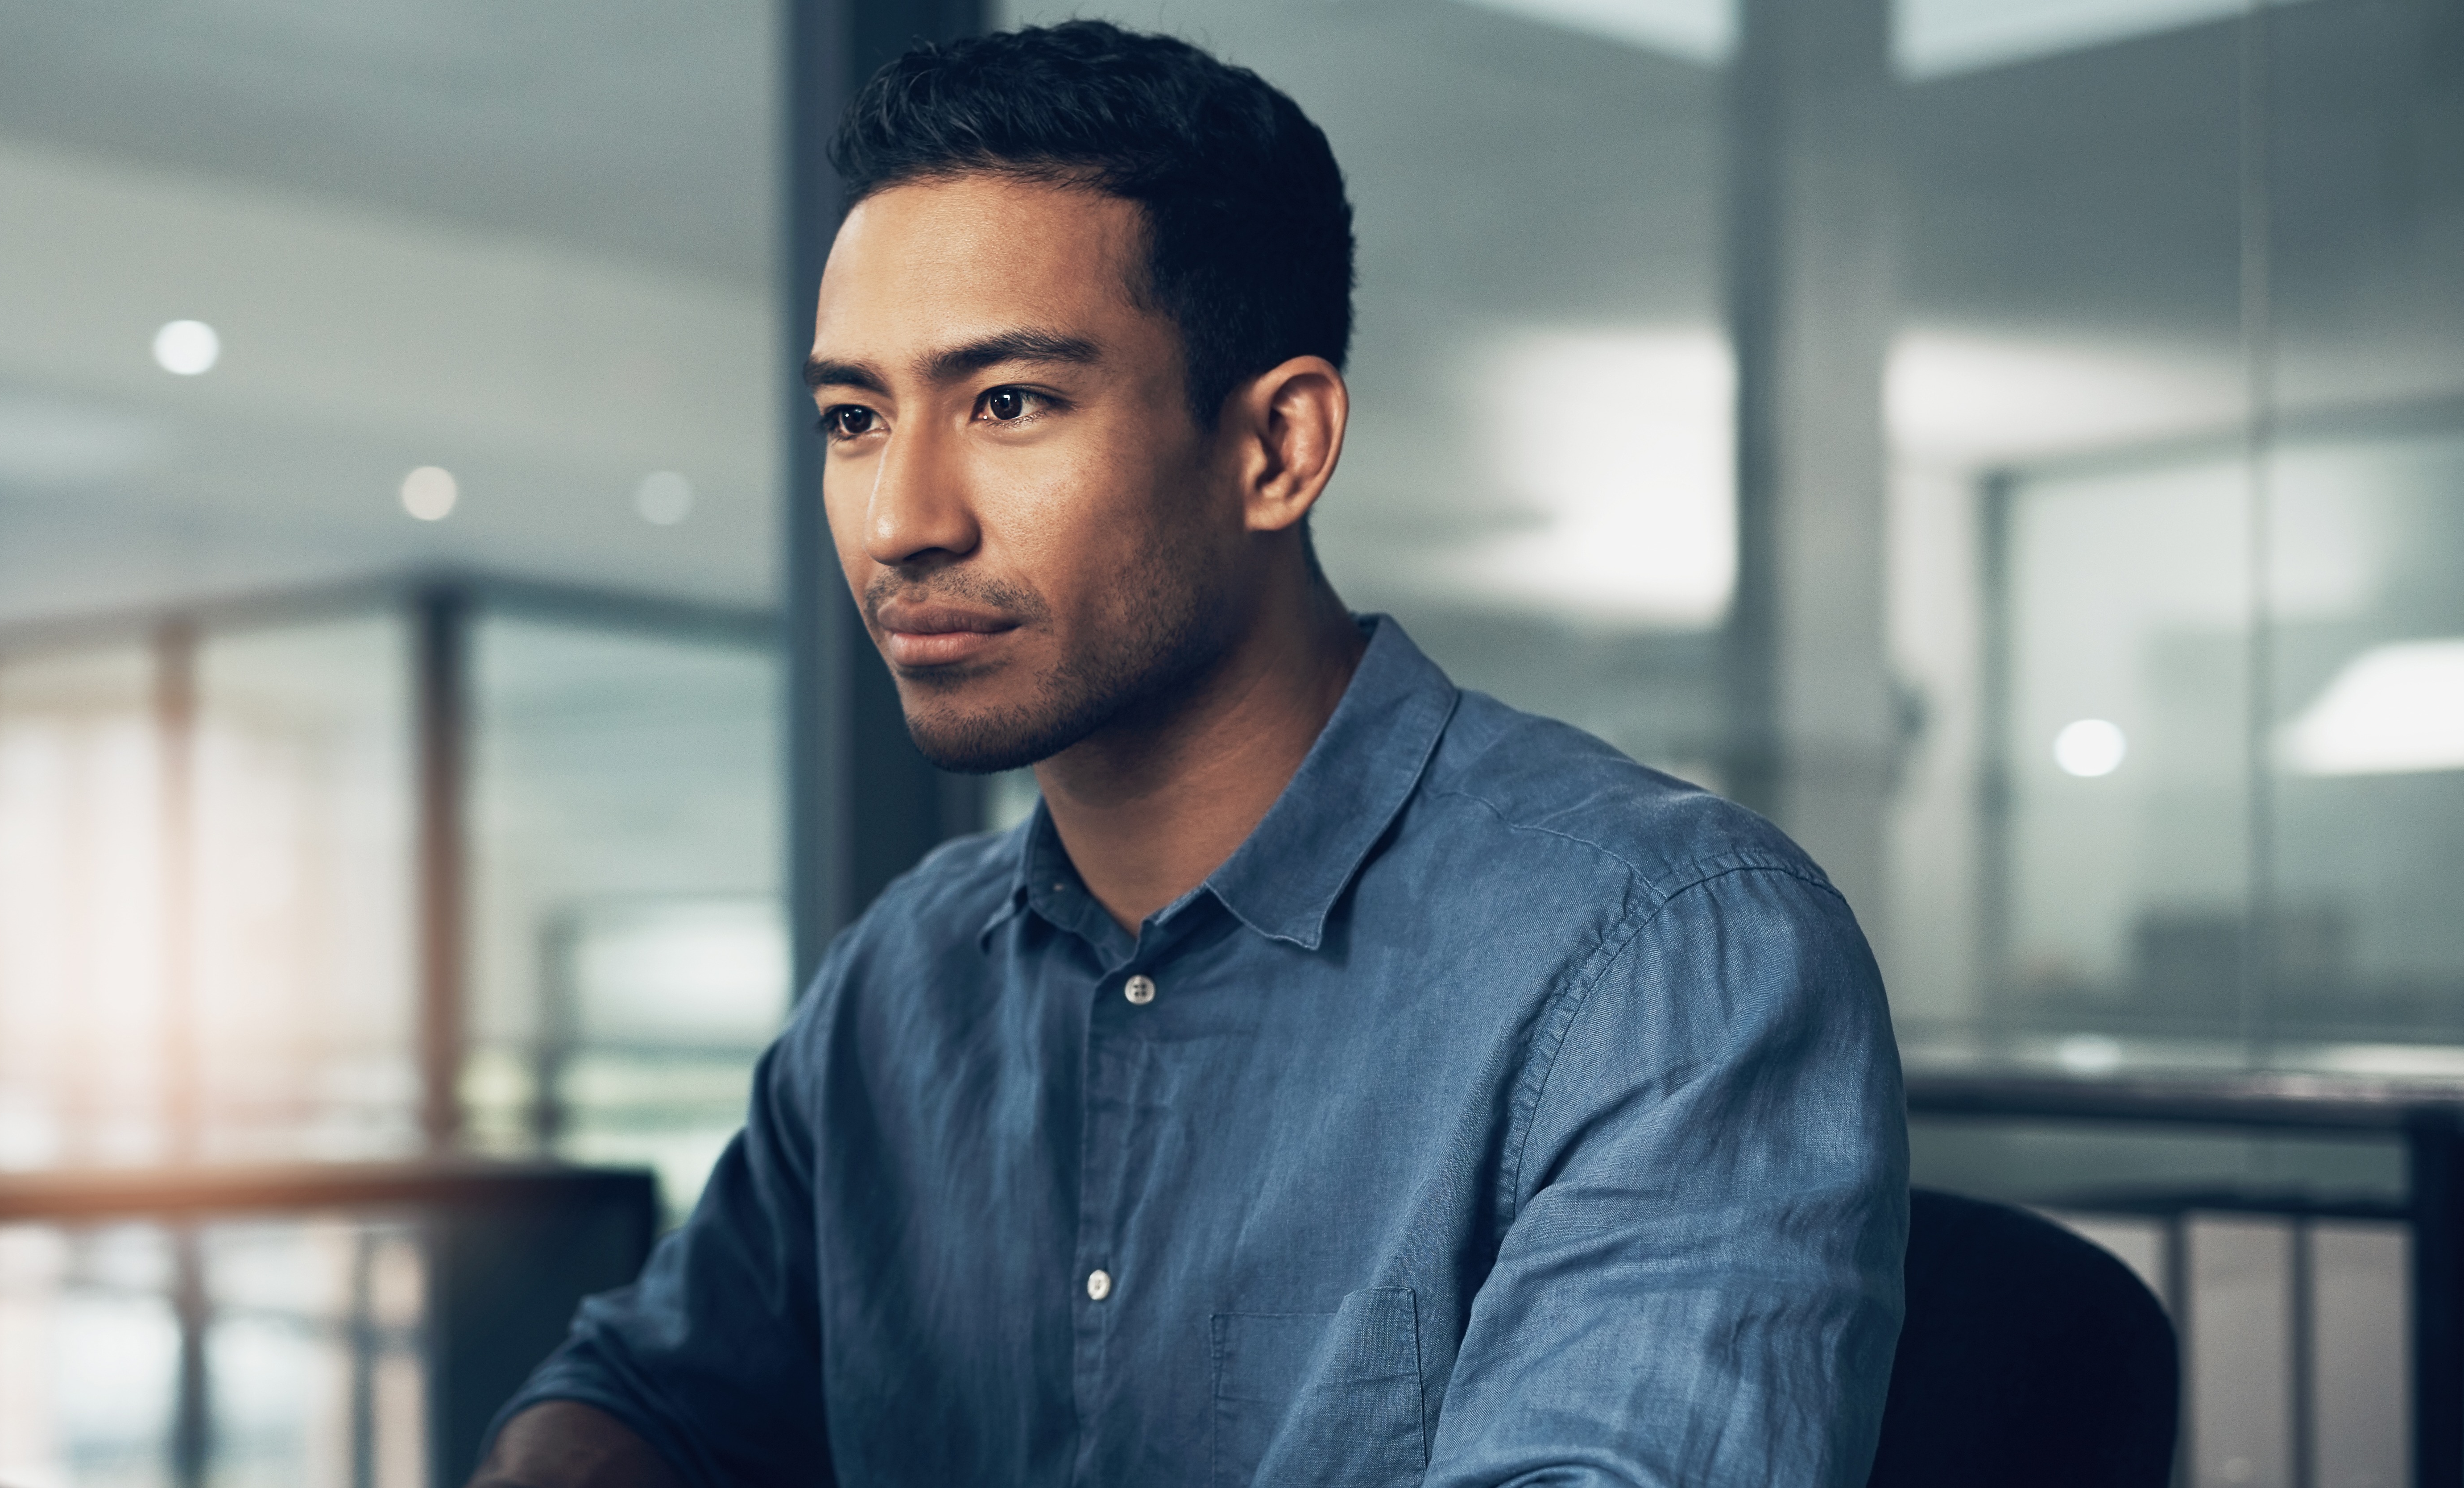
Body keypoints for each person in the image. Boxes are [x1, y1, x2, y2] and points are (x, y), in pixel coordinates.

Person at [470, 20, 1906, 1488]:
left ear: (1277, 448)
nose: (903, 518)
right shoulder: (902, 983)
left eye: (1010, 403)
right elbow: (644, 1394)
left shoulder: (1665, 957)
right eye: (855, 416)